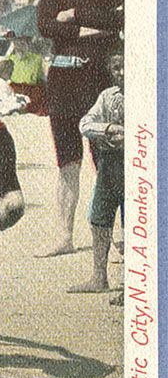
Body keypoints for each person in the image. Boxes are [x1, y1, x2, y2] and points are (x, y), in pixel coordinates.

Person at [35, 0, 124, 257]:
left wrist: (73, 16)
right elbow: (44, 26)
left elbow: (122, 20)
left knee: (108, 159)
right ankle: (64, 236)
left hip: (102, 81)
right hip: (63, 82)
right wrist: (90, 28)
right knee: (66, 161)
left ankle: (117, 236)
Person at [69, 52, 124, 294]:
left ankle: (132, 285)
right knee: (100, 217)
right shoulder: (107, 96)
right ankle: (99, 277)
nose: (121, 73)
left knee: (137, 221)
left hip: (140, 164)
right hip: (109, 165)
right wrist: (108, 128)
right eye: (116, 68)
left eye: (125, 67)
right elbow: (85, 124)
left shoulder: (149, 91)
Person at [6, 34, 48, 115]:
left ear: (27, 44)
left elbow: (42, 78)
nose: (19, 46)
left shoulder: (37, 59)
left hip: (32, 91)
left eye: (22, 43)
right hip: (14, 90)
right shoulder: (10, 59)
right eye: (17, 43)